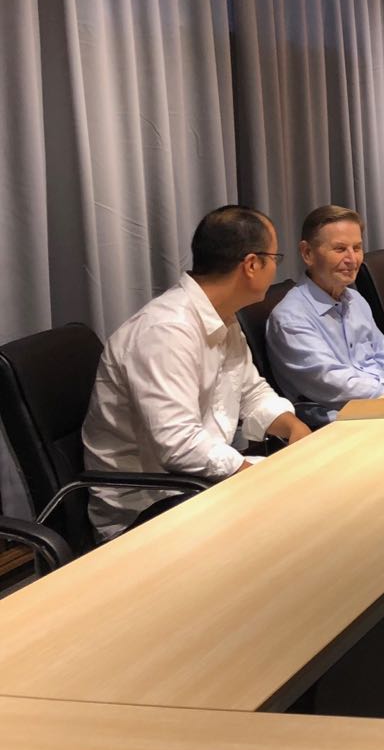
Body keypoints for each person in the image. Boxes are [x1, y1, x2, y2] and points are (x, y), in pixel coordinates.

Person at [82, 205, 312, 539]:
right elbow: (178, 443)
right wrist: (252, 473)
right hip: (152, 505)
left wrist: (292, 427)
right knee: (301, 519)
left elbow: (251, 391)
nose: (277, 267)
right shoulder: (165, 331)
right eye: (275, 257)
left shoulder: (222, 316)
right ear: (251, 264)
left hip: (200, 483)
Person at [267, 205, 384, 426]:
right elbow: (336, 385)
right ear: (307, 253)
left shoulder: (356, 300)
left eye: (357, 248)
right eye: (340, 249)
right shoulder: (290, 319)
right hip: (344, 424)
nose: (352, 259)